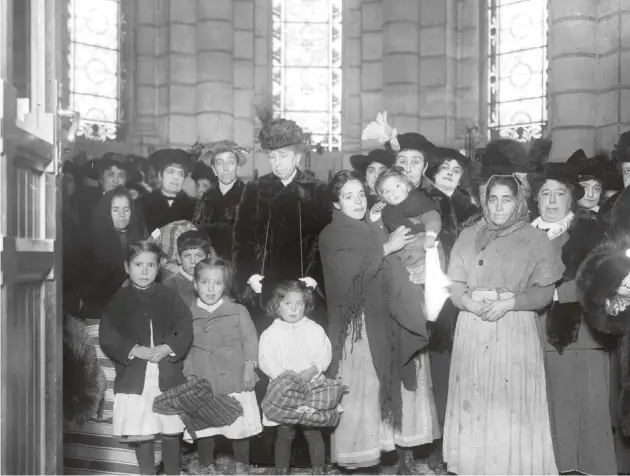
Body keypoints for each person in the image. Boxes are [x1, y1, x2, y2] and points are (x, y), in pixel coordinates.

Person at [444, 174, 563, 475]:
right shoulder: (469, 235)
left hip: (513, 324)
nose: (498, 207)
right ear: (484, 201)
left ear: (518, 201)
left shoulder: (535, 239)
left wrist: (508, 304)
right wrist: (469, 304)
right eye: (492, 199)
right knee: (478, 400)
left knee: (510, 403)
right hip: (472, 325)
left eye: (506, 199)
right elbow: (455, 284)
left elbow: (544, 292)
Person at [319, 170, 435, 473]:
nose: (357, 201)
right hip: (356, 326)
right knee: (363, 392)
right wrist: (388, 248)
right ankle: (362, 462)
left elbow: (393, 266)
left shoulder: (370, 227)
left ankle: (399, 456)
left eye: (360, 194)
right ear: (335, 202)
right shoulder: (333, 234)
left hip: (384, 317)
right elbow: (349, 277)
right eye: (348, 196)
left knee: (390, 383)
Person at [528, 159, 615, 474]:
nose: (551, 201)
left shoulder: (589, 231)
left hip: (579, 333)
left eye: (559, 194)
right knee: (549, 408)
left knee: (585, 413)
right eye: (545, 193)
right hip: (532, 332)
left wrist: (552, 294)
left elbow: (601, 279)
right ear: (535, 198)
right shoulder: (524, 233)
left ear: (571, 198)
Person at [99, 241, 193, 475]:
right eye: (138, 265)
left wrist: (168, 346)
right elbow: (108, 334)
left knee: (171, 431)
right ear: (127, 267)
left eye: (150, 265)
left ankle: (173, 472)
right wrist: (133, 349)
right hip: (135, 377)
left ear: (159, 266)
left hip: (167, 375)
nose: (144, 271)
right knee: (143, 432)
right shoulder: (118, 300)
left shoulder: (168, 296)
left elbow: (185, 326)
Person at [422, 146, 479, 472]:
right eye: (443, 167)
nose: (448, 173)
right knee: (437, 373)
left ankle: (464, 441)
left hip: (463, 299)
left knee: (467, 371)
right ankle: (438, 443)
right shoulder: (421, 201)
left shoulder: (470, 207)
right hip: (432, 300)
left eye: (455, 170)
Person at [183, 258, 261, 475]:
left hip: (235, 378)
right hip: (203, 380)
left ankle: (242, 466)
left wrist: (249, 367)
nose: (210, 288)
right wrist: (189, 375)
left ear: (224, 286)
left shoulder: (237, 310)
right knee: (205, 429)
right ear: (195, 284)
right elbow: (185, 348)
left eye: (217, 283)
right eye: (205, 282)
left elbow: (250, 340)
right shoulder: (188, 314)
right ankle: (206, 466)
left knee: (239, 428)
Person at [258, 280, 332, 475]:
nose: (293, 309)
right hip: (284, 390)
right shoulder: (271, 332)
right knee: (284, 433)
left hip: (310, 388)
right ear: (277, 305)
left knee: (313, 432)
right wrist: (282, 375)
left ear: (305, 305)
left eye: (298, 304)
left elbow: (324, 352)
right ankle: (281, 470)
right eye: (287, 303)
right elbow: (265, 358)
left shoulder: (314, 329)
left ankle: (318, 470)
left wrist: (312, 370)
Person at [79, 187, 146, 320]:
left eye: (126, 210)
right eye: (115, 210)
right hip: (100, 308)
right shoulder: (92, 242)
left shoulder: (138, 239)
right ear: (106, 212)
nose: (122, 214)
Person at [192, 140, 248, 260]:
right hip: (208, 265)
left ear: (238, 167)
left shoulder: (250, 197)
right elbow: (197, 232)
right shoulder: (205, 199)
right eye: (219, 163)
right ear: (213, 169)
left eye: (230, 162)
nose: (225, 168)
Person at [140, 149, 197, 234]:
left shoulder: (195, 206)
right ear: (160, 175)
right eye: (171, 172)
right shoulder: (143, 203)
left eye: (180, 174)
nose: (176, 177)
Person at [76, 153, 131, 236]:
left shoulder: (132, 204)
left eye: (121, 175)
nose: (116, 180)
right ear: (101, 179)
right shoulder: (89, 206)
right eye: (110, 175)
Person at [163, 230, 215, 306]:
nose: (193, 261)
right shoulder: (170, 287)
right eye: (187, 255)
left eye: (198, 256)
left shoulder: (217, 280)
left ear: (208, 258)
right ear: (179, 258)